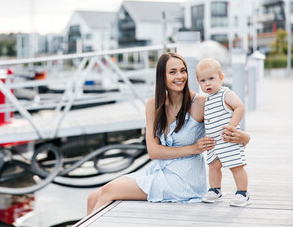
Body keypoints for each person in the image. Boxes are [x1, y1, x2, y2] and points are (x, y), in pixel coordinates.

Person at [86, 53, 250, 215]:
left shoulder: (201, 103)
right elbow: (154, 152)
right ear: (161, 76)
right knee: (93, 197)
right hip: (159, 169)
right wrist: (193, 148)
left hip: (184, 179)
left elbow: (224, 124)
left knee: (108, 191)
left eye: (183, 70)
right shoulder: (153, 105)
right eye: (173, 72)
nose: (180, 76)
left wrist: (244, 137)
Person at [196, 58, 250, 207]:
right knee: (213, 166)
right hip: (214, 142)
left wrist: (232, 126)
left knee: (236, 166)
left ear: (221, 78)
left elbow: (239, 107)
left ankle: (242, 192)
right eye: (203, 80)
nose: (207, 83)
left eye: (211, 79)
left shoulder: (225, 94)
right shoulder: (206, 100)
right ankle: (215, 189)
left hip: (229, 139)